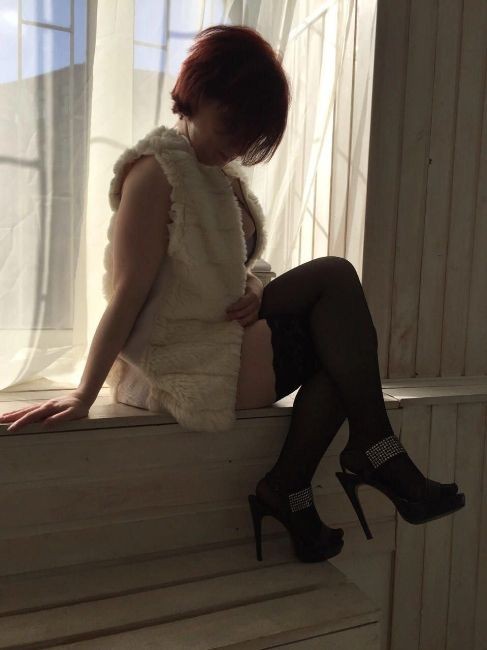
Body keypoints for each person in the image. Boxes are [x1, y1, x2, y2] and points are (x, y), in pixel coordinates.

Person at [0, 25, 464, 564]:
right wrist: (84, 394)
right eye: (231, 127)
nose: (238, 146)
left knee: (341, 338)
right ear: (197, 93)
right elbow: (127, 293)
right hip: (183, 360)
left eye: (250, 137)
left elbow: (230, 268)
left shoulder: (222, 178)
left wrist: (255, 287)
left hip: (224, 334)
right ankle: (350, 462)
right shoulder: (156, 173)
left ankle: (303, 483)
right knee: (336, 293)